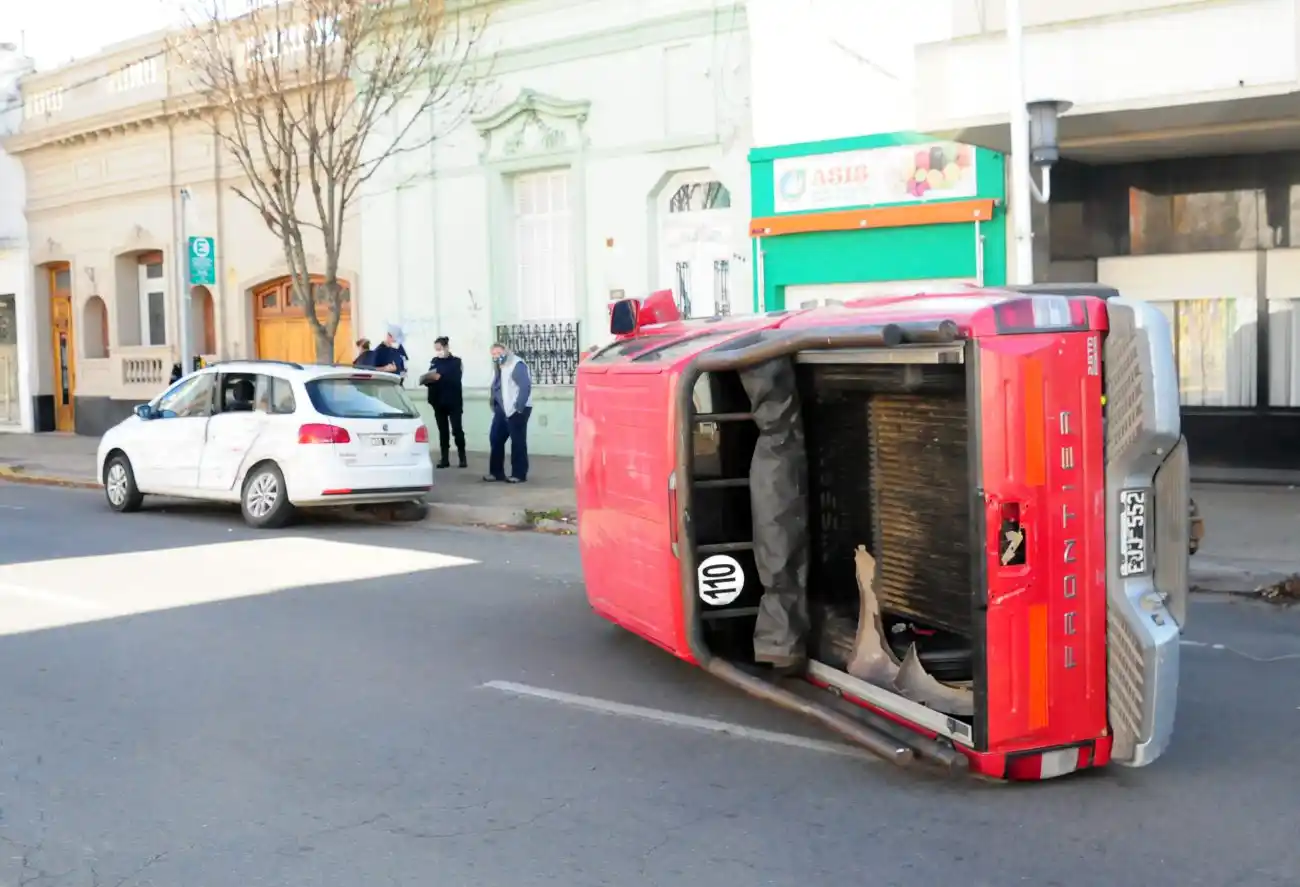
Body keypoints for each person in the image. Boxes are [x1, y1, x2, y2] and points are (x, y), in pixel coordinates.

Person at [485, 342, 531, 484]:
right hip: (502, 408)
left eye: (499, 353)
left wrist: (519, 407)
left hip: (517, 409)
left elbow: (525, 386)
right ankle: (496, 472)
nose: (496, 356)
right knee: (495, 438)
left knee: (517, 441)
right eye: (493, 354)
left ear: (506, 352)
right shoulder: (498, 367)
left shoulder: (516, 364)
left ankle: (519, 474)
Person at [420, 336, 466, 469]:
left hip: (453, 401)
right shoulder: (434, 362)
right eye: (436, 349)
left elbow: (455, 378)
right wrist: (428, 379)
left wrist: (441, 376)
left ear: (446, 347)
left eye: (439, 349)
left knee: (457, 429)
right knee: (443, 431)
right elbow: (431, 377)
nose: (438, 352)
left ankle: (462, 457)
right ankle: (444, 458)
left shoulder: (456, 362)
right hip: (438, 401)